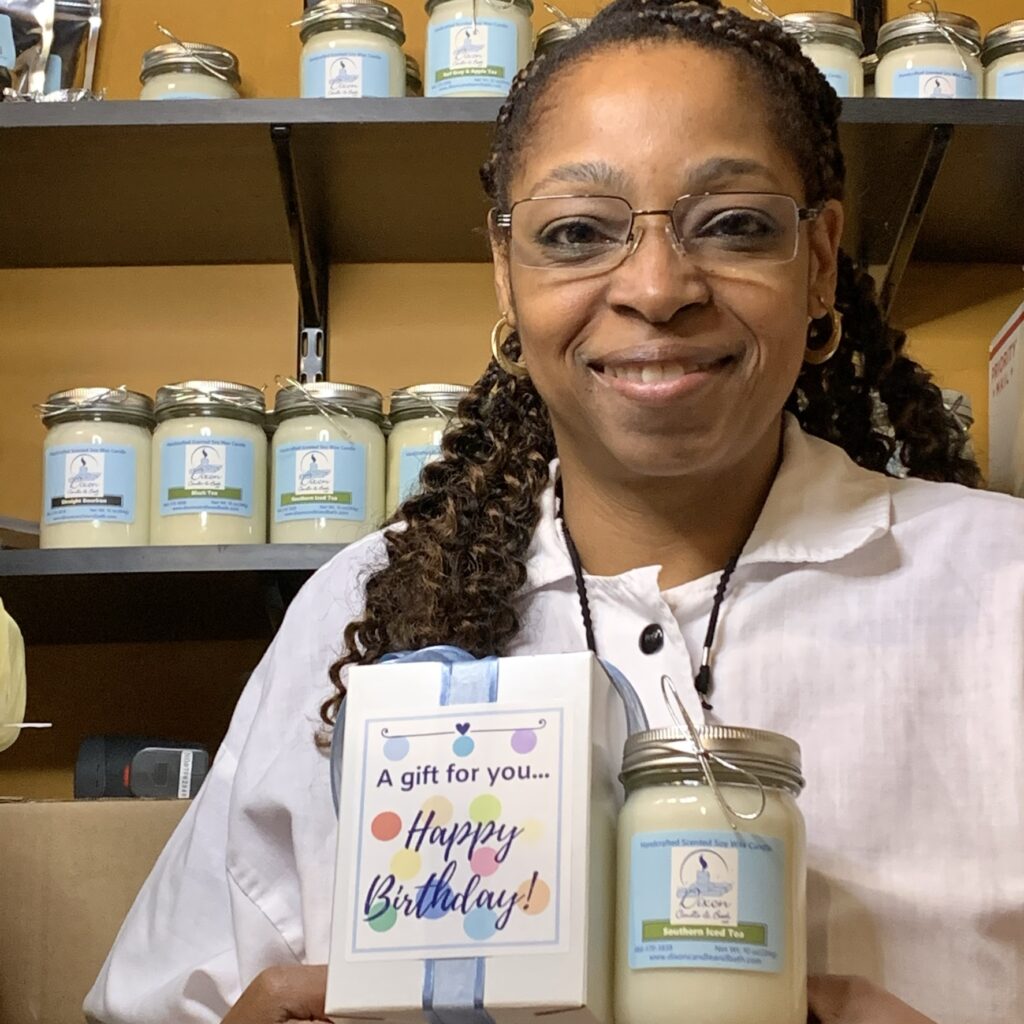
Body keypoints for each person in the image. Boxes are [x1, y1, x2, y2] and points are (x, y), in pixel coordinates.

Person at [85, 1, 1024, 1022]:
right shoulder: (350, 613)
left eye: (737, 224)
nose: (659, 288)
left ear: (818, 257)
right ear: (506, 267)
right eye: (578, 232)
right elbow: (151, 999)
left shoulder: (1000, 590)